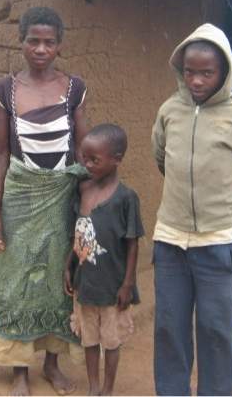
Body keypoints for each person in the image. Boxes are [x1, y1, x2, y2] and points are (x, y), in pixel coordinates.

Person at [151, 23, 232, 396]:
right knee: (169, 328)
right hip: (170, 240)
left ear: (224, 73)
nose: (197, 80)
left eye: (207, 72)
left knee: (216, 331)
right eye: (190, 71)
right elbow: (163, 161)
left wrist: (225, 193)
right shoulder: (169, 112)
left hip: (217, 243)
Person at [0, 6, 88, 396]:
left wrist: (86, 202)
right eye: (33, 41)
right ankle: (19, 371)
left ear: (59, 46)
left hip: (62, 194)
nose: (40, 49)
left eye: (49, 42)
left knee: (57, 280)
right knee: (16, 279)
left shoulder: (74, 88)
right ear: (21, 42)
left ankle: (51, 363)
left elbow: (81, 146)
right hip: (20, 195)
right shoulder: (5, 89)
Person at [63, 123, 144, 396]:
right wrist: (69, 265)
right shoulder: (83, 190)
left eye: (94, 160)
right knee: (89, 339)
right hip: (86, 284)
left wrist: (127, 284)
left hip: (112, 286)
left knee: (110, 341)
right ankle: (93, 386)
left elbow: (132, 244)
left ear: (117, 159)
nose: (87, 165)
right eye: (85, 158)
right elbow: (79, 233)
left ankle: (107, 389)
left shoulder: (126, 198)